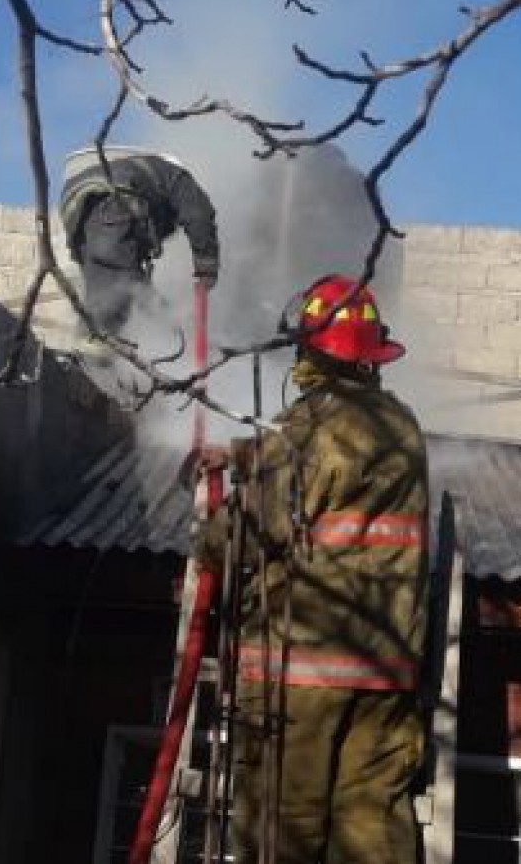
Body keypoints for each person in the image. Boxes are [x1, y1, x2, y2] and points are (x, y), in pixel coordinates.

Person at [198, 274, 430, 863]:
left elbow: (260, 523)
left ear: (310, 349)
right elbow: (339, 475)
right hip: (386, 665)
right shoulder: (400, 426)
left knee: (285, 826)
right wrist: (250, 453)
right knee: (373, 822)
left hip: (301, 666)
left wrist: (205, 552)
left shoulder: (311, 424)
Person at [58, 146, 220, 338]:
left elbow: (134, 280)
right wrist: (206, 267)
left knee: (103, 295)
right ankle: (95, 354)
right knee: (112, 300)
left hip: (74, 212)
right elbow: (198, 213)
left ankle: (91, 360)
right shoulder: (176, 176)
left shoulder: (142, 176)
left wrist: (167, 318)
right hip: (113, 199)